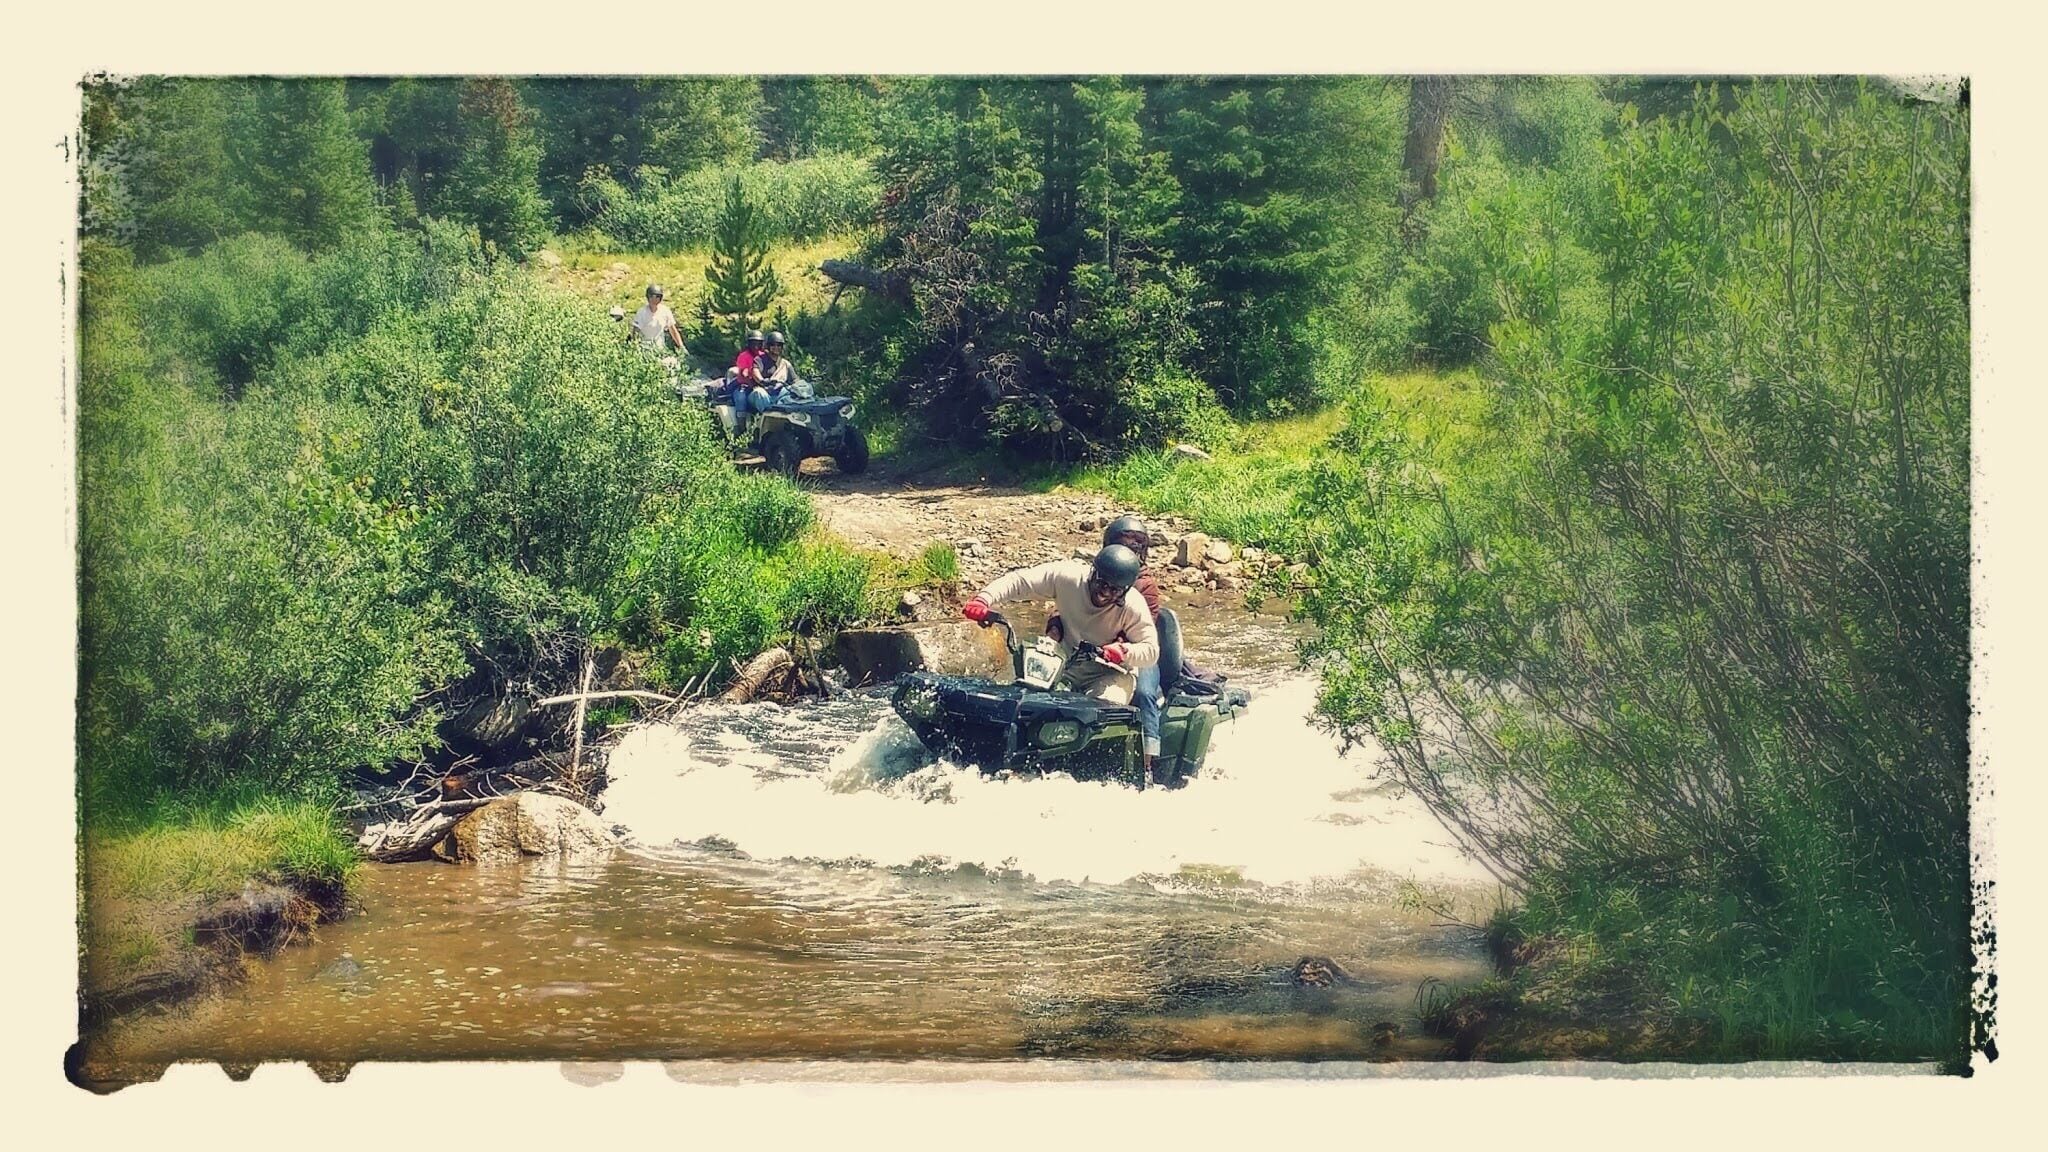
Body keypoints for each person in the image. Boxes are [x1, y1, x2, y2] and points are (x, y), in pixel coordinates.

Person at [963, 545, 1156, 706]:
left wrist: (1123, 651)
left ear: (1125, 590)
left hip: (1111, 672)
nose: (1105, 593)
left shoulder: (1133, 605)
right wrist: (983, 600)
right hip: (1064, 662)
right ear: (1093, 572)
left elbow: (1151, 651)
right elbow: (1020, 581)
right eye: (1101, 583)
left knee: (1100, 710)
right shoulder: (1068, 577)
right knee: (1029, 700)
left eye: (1115, 590)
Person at [1050, 516, 1167, 775]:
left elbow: (1142, 632)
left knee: (1145, 693)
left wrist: (1120, 648)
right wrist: (1055, 624)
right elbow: (1067, 607)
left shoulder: (1144, 586)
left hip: (1135, 653)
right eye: (1125, 545)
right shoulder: (1094, 572)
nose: (1132, 551)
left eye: (1138, 546)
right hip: (1092, 650)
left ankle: (1148, 758)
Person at [628, 285, 687, 355]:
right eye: (652, 297)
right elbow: (636, 332)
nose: (654, 299)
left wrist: (681, 347)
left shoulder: (665, 311)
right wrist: (635, 349)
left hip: (660, 350)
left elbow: (673, 330)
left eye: (657, 297)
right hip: (644, 349)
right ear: (648, 297)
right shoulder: (641, 312)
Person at [730, 330, 769, 422]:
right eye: (753, 343)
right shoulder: (743, 356)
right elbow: (744, 373)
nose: (756, 346)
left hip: (761, 384)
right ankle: (741, 424)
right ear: (749, 344)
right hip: (745, 385)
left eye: (758, 343)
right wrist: (752, 381)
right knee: (741, 398)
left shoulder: (764, 355)